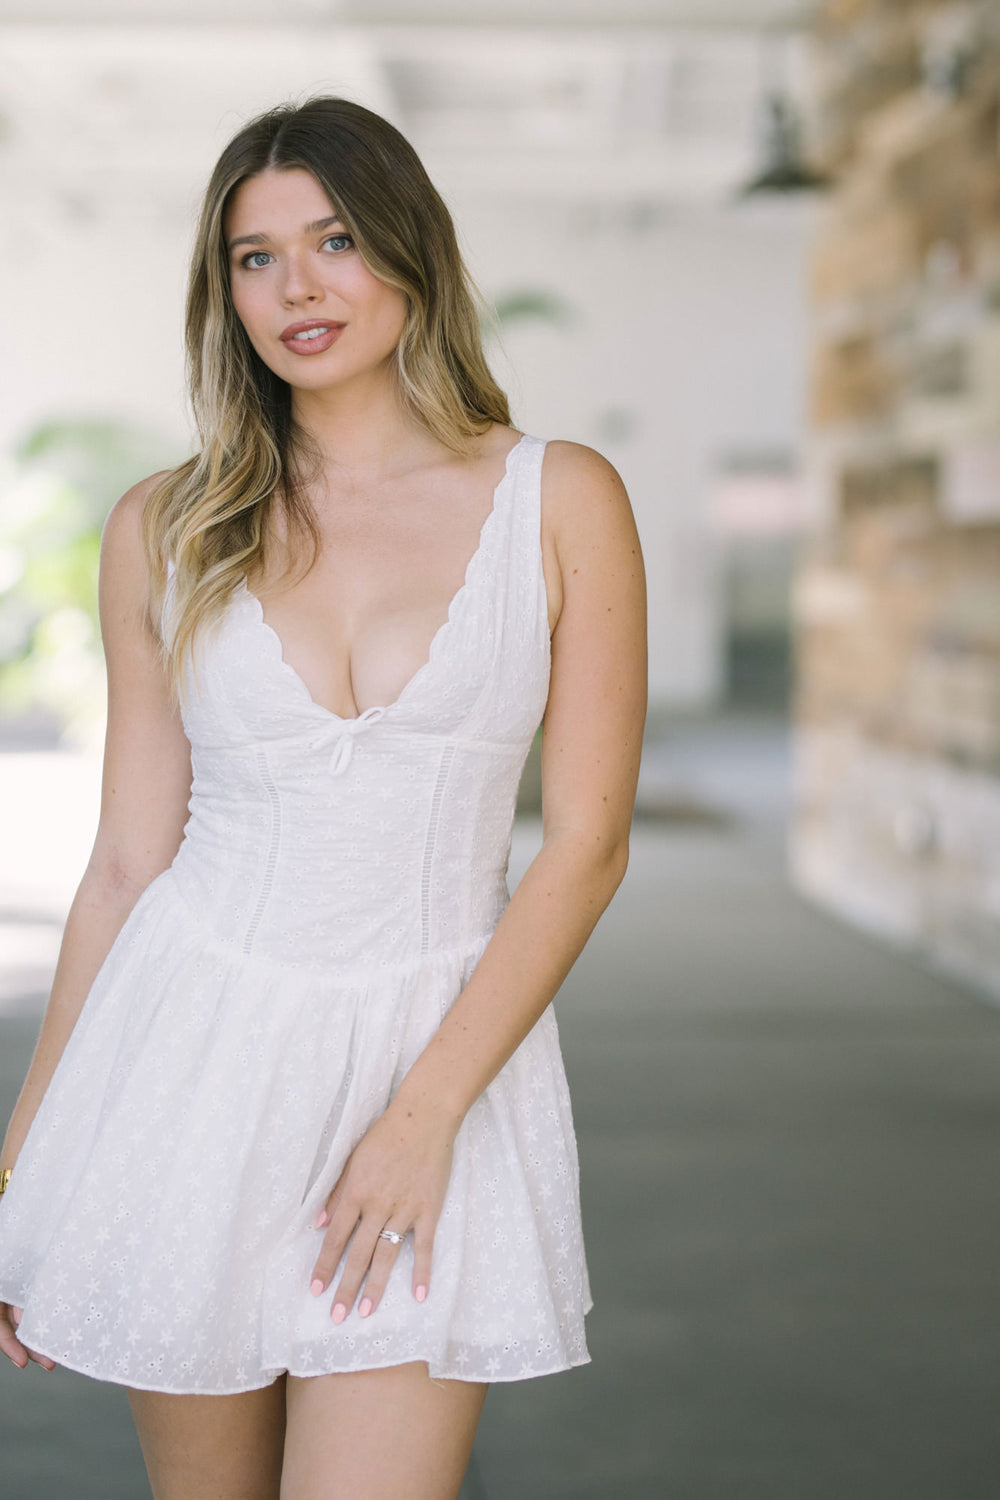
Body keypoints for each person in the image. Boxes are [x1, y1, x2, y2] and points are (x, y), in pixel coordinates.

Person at [0, 95, 646, 1500]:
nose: (297, 286)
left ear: (409, 251)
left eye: (336, 239)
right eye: (254, 256)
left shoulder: (561, 498)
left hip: (436, 1070)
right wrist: (26, 1165)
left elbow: (586, 844)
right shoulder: (169, 525)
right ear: (222, 292)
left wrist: (424, 1117)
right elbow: (123, 866)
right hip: (193, 1066)